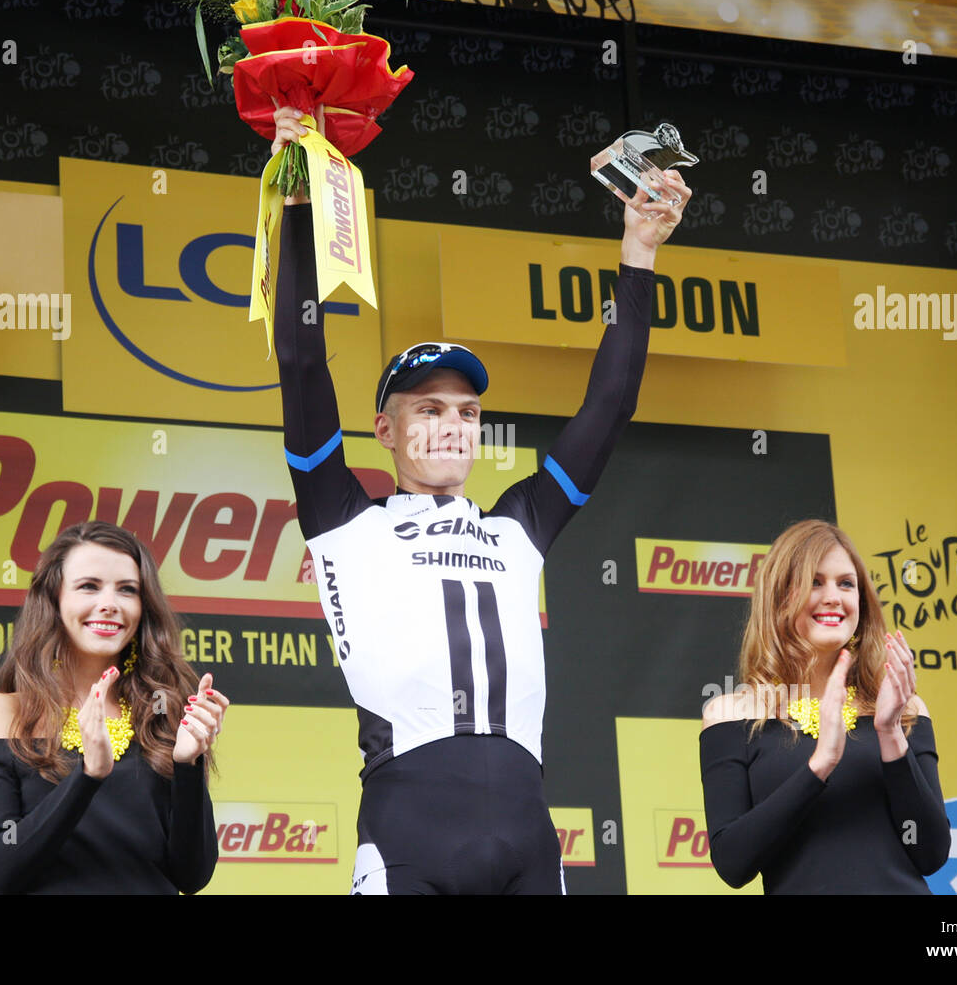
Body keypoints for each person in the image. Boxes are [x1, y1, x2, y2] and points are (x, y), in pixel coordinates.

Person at [271, 104, 690, 893]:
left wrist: (638, 254)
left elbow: (610, 407)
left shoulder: (520, 527)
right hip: (409, 834)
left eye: (467, 413)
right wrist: (296, 202)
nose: (452, 426)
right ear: (385, 431)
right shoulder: (342, 521)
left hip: (530, 837)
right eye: (427, 409)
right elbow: (300, 363)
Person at [0, 520, 227, 893]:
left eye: (127, 590)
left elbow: (192, 875)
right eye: (89, 586)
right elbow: (1, 871)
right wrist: (87, 776)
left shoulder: (163, 710)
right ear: (54, 599)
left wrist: (188, 764)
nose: (109, 604)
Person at [699, 519, 951, 893]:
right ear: (780, 596)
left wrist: (890, 734)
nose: (833, 596)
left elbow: (931, 853)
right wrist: (821, 763)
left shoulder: (903, 709)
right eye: (815, 582)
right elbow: (734, 864)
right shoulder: (730, 716)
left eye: (846, 583)